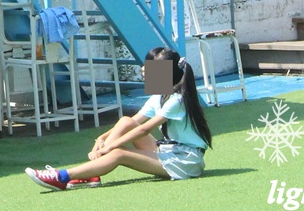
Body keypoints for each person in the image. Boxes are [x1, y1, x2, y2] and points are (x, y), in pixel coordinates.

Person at [24, 46, 213, 190]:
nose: (143, 72)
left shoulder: (177, 99)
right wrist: (102, 138)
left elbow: (144, 130)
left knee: (119, 154)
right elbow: (134, 123)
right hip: (169, 151)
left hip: (186, 161)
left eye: (148, 69)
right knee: (125, 121)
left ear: (166, 74)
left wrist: (110, 147)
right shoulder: (159, 96)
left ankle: (62, 177)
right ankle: (92, 172)